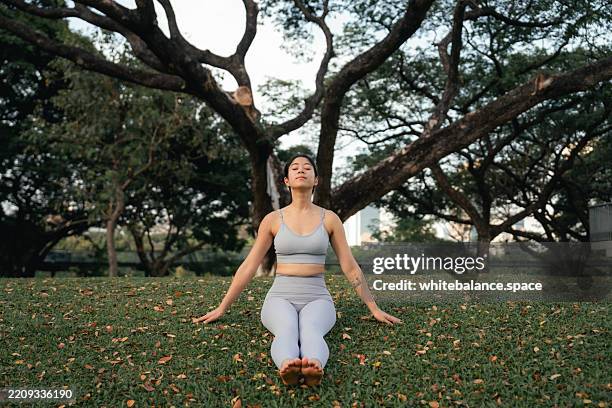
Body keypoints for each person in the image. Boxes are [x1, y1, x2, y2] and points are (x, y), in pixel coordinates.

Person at [192, 153, 402, 386]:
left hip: (318, 297)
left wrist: (373, 307)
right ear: (286, 181)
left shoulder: (330, 219)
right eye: (294, 168)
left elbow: (350, 266)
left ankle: (314, 367)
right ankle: (287, 365)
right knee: (287, 330)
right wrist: (222, 307)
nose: (301, 170)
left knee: (311, 330)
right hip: (280, 297)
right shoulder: (272, 219)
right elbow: (249, 265)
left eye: (307, 168)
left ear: (316, 180)